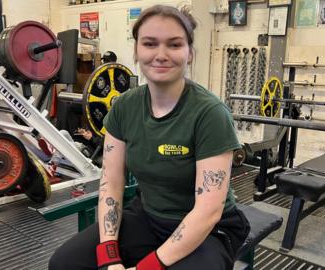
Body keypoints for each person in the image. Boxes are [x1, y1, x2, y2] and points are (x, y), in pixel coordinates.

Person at [49, 4, 250, 270]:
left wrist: (146, 268)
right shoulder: (124, 107)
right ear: (136, 50)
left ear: (190, 53)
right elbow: (111, 182)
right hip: (148, 217)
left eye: (174, 45)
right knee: (65, 264)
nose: (161, 54)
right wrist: (110, 256)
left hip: (210, 230)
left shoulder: (210, 113)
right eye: (150, 43)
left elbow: (208, 211)